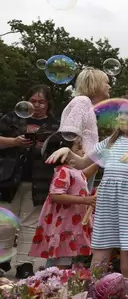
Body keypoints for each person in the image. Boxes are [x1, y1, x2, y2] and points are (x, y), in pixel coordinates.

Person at [46, 94, 128, 276]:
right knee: (100, 249)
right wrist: (67, 151)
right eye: (119, 114)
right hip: (107, 201)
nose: (121, 118)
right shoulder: (110, 142)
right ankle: (96, 293)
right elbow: (81, 163)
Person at [0, 85, 59, 278]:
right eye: (33, 101)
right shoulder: (12, 118)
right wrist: (14, 142)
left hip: (39, 180)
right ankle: (2, 260)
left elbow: (60, 153)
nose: (37, 105)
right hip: (8, 177)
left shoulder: (55, 125)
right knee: (5, 223)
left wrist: (43, 147)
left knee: (30, 224)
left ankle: (25, 263)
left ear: (49, 103)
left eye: (42, 101)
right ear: (25, 100)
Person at [28, 133, 96, 268]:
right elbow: (56, 195)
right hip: (64, 222)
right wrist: (85, 200)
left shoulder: (73, 169)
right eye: (78, 148)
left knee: (68, 255)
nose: (83, 152)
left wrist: (99, 163)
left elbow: (83, 176)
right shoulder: (62, 170)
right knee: (61, 257)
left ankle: (59, 282)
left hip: (72, 222)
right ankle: (54, 283)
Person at [58, 67, 111, 191]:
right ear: (94, 84)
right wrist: (83, 167)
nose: (109, 87)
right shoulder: (82, 101)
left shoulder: (87, 105)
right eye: (106, 83)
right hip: (78, 167)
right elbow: (70, 134)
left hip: (84, 165)